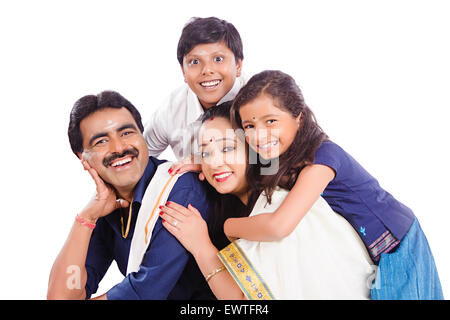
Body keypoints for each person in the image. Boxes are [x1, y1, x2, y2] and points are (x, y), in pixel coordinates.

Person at [223, 70, 443, 300]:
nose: (259, 136)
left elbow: (279, 227)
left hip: (398, 244)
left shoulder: (323, 158)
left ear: (298, 117)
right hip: (369, 254)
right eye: (249, 126)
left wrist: (229, 227)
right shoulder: (280, 157)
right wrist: (203, 163)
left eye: (271, 121)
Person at [159, 102, 374, 299]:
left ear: (256, 150)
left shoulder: (280, 205)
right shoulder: (247, 210)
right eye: (205, 153)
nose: (214, 163)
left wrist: (201, 246)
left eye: (227, 148)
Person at [47, 90, 212, 300]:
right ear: (82, 157)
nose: (119, 148)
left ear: (142, 135)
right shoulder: (107, 204)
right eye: (101, 142)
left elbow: (147, 292)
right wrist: (86, 219)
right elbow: (63, 295)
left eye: (126, 133)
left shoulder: (180, 187)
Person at [143, 16, 246, 162]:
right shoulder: (172, 109)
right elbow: (140, 158)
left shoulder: (261, 100)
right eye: (195, 61)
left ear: (238, 65)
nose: (207, 70)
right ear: (183, 71)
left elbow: (275, 164)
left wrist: (202, 164)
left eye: (218, 59)